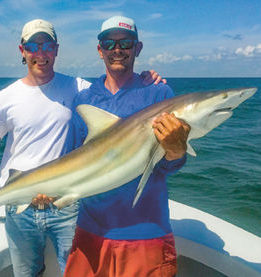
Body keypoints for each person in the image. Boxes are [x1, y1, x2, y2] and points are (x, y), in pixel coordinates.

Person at [0, 18, 166, 277]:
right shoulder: (5, 98)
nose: (41, 53)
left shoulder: (77, 88)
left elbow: (110, 86)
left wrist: (144, 79)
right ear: (22, 51)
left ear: (56, 49)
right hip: (19, 206)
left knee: (73, 273)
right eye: (33, 46)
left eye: (47, 45)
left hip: (66, 204)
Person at [64, 16, 190, 277]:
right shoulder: (84, 100)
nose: (117, 49)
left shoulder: (158, 94)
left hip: (146, 231)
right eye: (109, 43)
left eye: (126, 43)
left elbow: (169, 166)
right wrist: (49, 191)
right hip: (90, 230)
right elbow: (70, 158)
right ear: (100, 50)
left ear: (138, 48)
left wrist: (177, 150)